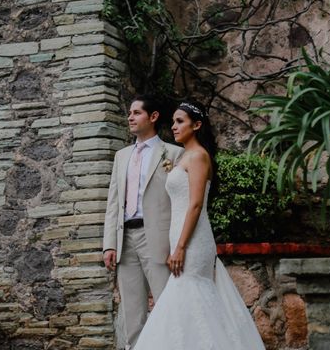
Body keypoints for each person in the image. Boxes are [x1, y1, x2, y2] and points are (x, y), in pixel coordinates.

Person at [134, 102, 266, 350]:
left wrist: (181, 246)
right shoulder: (184, 156)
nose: (174, 126)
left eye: (180, 121)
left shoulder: (199, 156)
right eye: (173, 121)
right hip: (180, 235)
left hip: (193, 240)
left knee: (190, 295)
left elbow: (195, 205)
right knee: (185, 302)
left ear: (196, 125)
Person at [103, 95, 184, 349]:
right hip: (125, 239)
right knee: (131, 310)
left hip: (158, 239)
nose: (130, 117)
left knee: (166, 303)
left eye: (136, 112)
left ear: (153, 117)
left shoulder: (173, 153)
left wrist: (177, 244)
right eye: (130, 113)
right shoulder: (121, 156)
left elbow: (180, 201)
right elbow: (113, 202)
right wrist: (109, 244)